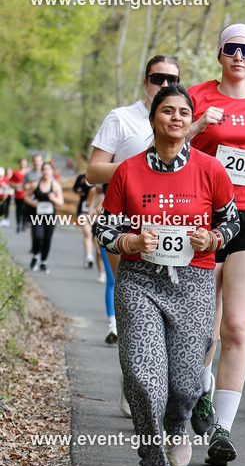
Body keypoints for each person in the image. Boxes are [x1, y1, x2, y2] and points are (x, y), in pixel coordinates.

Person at [94, 84, 239, 466]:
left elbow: (232, 223)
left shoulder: (211, 170)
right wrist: (131, 243)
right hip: (139, 281)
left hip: (193, 282)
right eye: (167, 110)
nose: (176, 118)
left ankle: (177, 424)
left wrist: (212, 239)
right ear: (153, 118)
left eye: (183, 112)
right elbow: (104, 228)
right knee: (143, 379)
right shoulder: (128, 170)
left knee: (184, 384)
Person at [188, 23, 245, 460]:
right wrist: (199, 125)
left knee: (238, 327)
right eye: (231, 48)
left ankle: (222, 430)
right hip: (203, 217)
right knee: (202, 330)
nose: (238, 56)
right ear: (220, 54)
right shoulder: (197, 95)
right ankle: (198, 396)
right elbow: (166, 145)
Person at [87, 55, 181, 346]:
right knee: (132, 300)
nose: (165, 84)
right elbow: (92, 172)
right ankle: (134, 380)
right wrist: (138, 165)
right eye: (158, 79)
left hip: (175, 223)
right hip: (126, 221)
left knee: (170, 307)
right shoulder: (121, 117)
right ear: (145, 82)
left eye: (173, 80)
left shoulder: (185, 119)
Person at [23, 162, 64, 272]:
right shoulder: (35, 185)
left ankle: (43, 262)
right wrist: (32, 202)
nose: (46, 172)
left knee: (47, 239)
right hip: (37, 216)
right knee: (38, 236)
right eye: (44, 169)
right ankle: (35, 256)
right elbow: (26, 196)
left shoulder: (55, 186)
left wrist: (53, 198)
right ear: (41, 171)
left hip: (50, 217)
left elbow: (61, 202)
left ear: (52, 172)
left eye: (48, 169)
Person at [73, 172, 101, 270]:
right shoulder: (81, 177)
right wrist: (79, 190)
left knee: (94, 236)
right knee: (87, 233)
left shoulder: (99, 177)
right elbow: (75, 188)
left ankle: (95, 254)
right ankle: (89, 256)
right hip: (84, 208)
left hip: (96, 210)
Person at [9, 158, 29, 232]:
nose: (23, 164)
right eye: (21, 163)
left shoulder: (28, 173)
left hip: (26, 194)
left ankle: (24, 223)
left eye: (24, 163)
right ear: (19, 163)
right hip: (18, 194)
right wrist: (15, 185)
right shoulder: (16, 173)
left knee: (25, 209)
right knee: (18, 209)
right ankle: (18, 224)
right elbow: (10, 182)